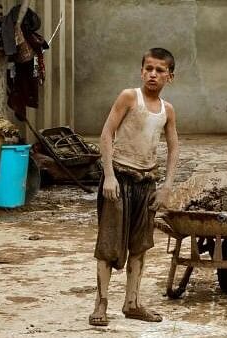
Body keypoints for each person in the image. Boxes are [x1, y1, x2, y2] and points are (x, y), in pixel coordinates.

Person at [89, 48, 179, 326]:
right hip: (119, 178)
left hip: (146, 183)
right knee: (109, 244)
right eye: (149, 68)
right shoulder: (130, 97)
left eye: (160, 70)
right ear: (141, 71)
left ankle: (132, 303)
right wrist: (109, 176)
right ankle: (101, 304)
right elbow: (107, 133)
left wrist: (166, 186)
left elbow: (174, 148)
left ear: (170, 77)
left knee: (139, 245)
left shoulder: (167, 110)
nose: (153, 74)